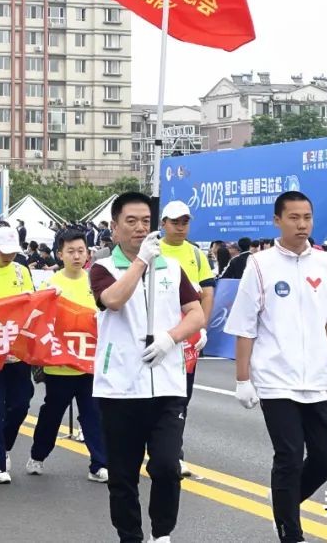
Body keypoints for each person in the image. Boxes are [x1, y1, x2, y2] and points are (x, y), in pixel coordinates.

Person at [225, 191, 327, 543]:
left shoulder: (325, 263)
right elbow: (245, 326)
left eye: (307, 217)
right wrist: (242, 379)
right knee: (289, 456)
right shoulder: (260, 265)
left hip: (318, 378)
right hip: (276, 379)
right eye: (294, 217)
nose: (302, 224)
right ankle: (290, 533)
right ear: (277, 220)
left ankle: (284, 501)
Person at [88, 192, 205, 543]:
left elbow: (196, 313)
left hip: (167, 384)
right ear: (115, 227)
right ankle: (130, 536)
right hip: (120, 386)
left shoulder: (171, 267)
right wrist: (140, 262)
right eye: (131, 221)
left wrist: (171, 338)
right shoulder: (103, 268)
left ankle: (162, 534)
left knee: (167, 465)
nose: (140, 228)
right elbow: (113, 300)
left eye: (145, 222)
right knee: (123, 475)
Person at [26, 229, 108, 483]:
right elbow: (37, 320)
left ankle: (99, 464)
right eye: (70, 251)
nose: (76, 256)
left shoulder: (95, 280)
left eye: (81, 251)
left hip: (89, 364)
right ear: (60, 254)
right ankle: (38, 455)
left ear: (88, 253)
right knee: (52, 414)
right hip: (59, 365)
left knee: (93, 414)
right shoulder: (50, 285)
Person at [157, 201, 214, 478]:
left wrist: (202, 326)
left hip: (187, 337)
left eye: (185, 222)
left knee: (181, 396)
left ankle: (173, 453)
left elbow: (207, 292)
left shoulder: (196, 255)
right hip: (158, 334)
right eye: (175, 222)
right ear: (163, 224)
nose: (180, 227)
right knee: (153, 395)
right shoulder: (153, 251)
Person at [0, 225, 36, 484]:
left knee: (21, 403)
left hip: (18, 351)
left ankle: (4, 444)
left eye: (13, 251)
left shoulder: (21, 271)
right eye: (4, 251)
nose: (9, 256)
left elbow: (32, 305)